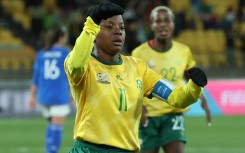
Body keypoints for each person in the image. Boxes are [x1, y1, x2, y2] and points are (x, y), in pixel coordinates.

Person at [64, 2, 207, 153]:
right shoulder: (84, 66)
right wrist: (90, 25)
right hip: (89, 149)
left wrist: (194, 87)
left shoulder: (138, 68)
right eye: (109, 26)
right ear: (95, 32)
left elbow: (176, 97)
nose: (118, 31)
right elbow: (77, 64)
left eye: (122, 27)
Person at [131, 6, 211, 153]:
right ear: (151, 25)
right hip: (149, 116)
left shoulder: (183, 51)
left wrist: (203, 98)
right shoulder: (139, 52)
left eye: (167, 20)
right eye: (158, 21)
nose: (162, 24)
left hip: (173, 114)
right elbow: (133, 84)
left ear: (173, 24)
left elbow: (191, 77)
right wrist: (139, 108)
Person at [28, 26, 71, 153]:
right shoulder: (66, 53)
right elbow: (73, 75)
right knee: (57, 128)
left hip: (44, 97)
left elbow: (35, 78)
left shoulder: (42, 53)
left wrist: (32, 96)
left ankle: (49, 150)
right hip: (59, 96)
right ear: (61, 37)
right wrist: (74, 95)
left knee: (51, 125)